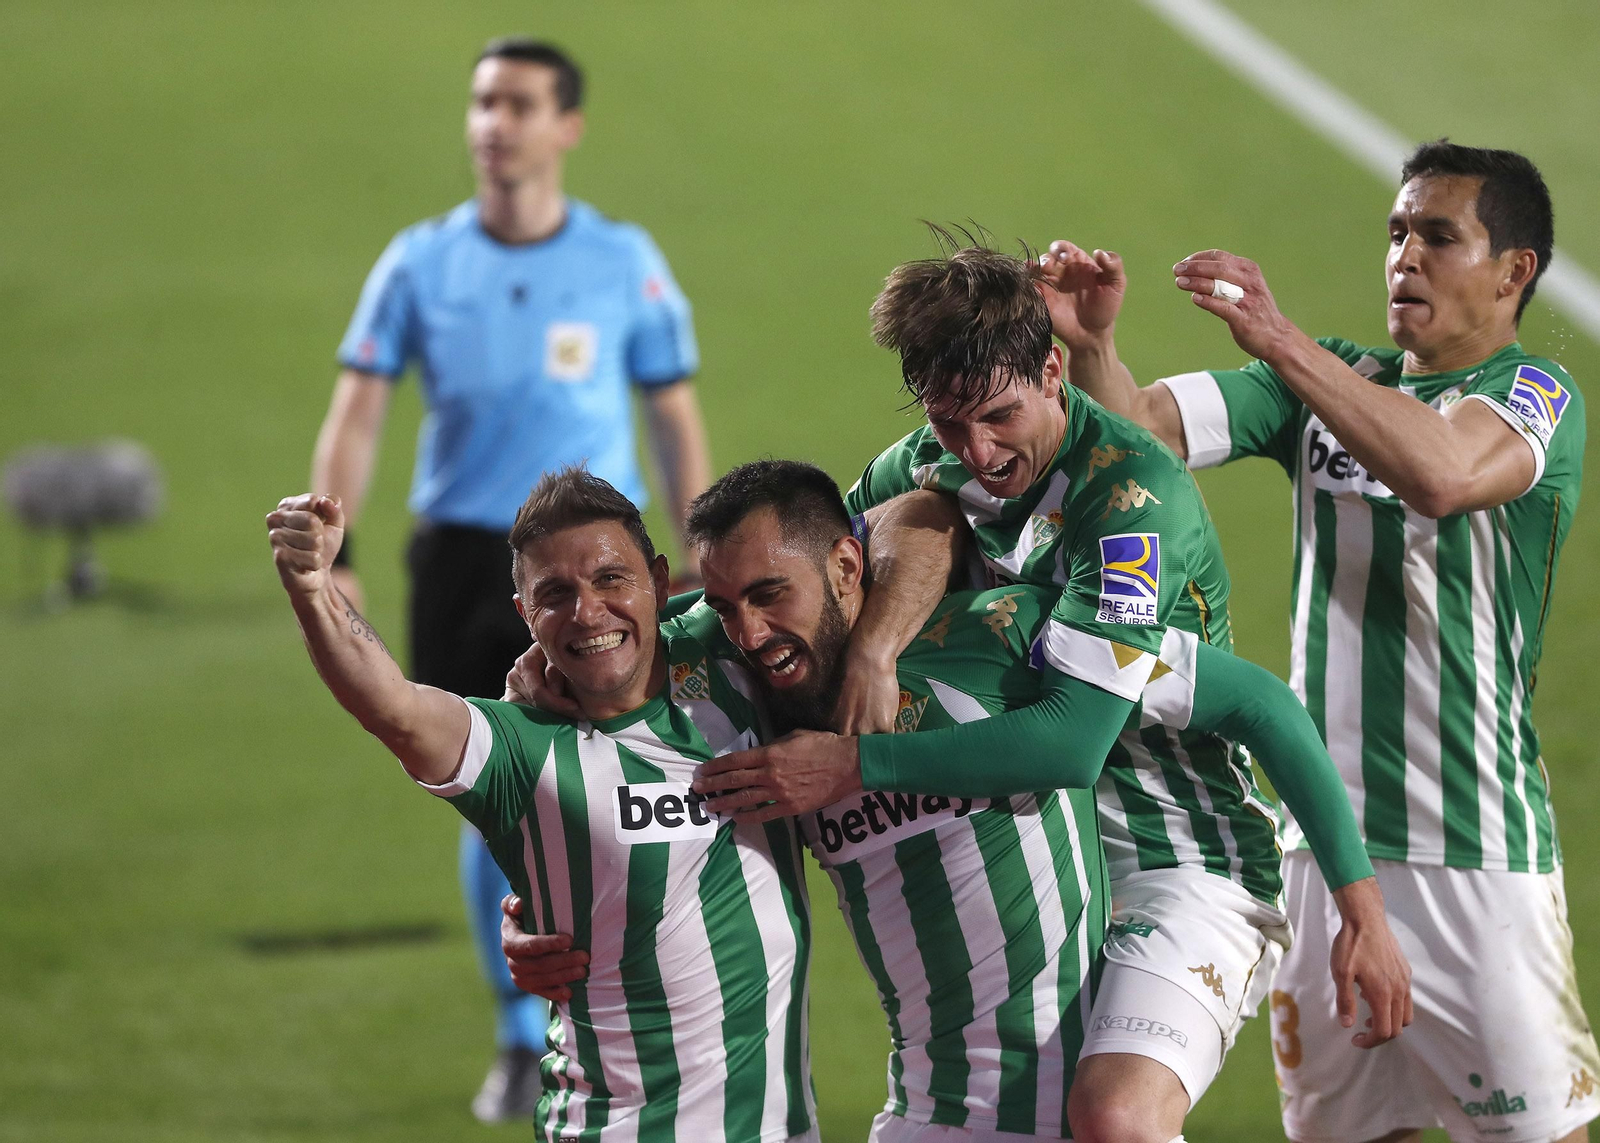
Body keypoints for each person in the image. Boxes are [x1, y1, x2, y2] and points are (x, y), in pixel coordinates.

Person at [506, 460, 1409, 1143]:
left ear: (848, 567)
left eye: (771, 595)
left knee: (1120, 1121)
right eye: (726, 604)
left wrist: (1360, 909)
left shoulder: (1005, 639)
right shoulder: (742, 690)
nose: (748, 630)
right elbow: (620, 731)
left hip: (1074, 1091)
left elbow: (1257, 703)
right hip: (930, 1111)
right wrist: (539, 909)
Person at [1039, 139, 1598, 1143]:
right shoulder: (1335, 380)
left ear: (1513, 270)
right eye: (1397, 232)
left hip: (1479, 858)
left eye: (1438, 237)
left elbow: (1442, 475)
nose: (1405, 256)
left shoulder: (1536, 397)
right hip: (1323, 855)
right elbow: (1138, 436)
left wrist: (1281, 341)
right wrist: (1092, 349)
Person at [309, 36, 711, 1119]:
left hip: (596, 569)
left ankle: (624, 1003)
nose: (495, 122)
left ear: (566, 126)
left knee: (611, 781)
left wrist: (699, 556)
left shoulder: (623, 259)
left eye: (520, 104)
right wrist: (337, 553)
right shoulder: (418, 262)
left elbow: (673, 416)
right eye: (484, 102)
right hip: (465, 562)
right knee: (491, 793)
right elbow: (359, 411)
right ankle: (519, 1032)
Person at [265, 469, 814, 1143]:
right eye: (556, 594)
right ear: (525, 613)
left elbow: (822, 553)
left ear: (659, 580)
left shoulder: (734, 660)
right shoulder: (520, 750)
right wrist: (314, 588)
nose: (587, 611)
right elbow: (393, 706)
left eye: (611, 579)